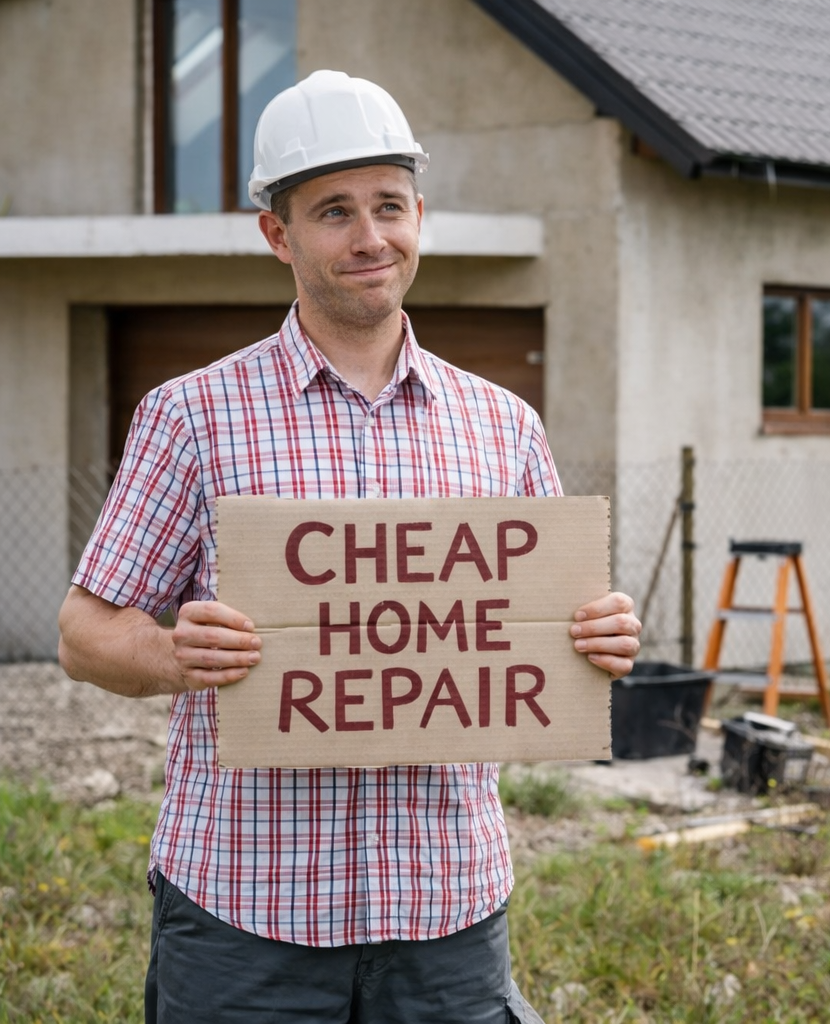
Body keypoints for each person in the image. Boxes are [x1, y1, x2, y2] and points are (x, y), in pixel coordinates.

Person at [56, 70, 640, 1024]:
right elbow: (85, 633)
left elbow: (538, 633)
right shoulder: (192, 415)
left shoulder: (502, 424)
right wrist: (170, 653)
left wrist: (599, 638)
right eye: (334, 211)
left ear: (420, 215)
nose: (371, 237)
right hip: (248, 917)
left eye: (389, 205)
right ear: (277, 234)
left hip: (447, 911)